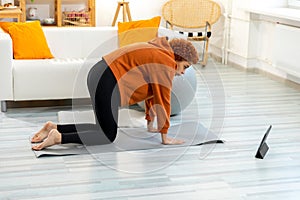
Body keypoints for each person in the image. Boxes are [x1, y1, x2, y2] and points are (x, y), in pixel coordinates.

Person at [31, 36, 199, 150]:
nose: (183, 72)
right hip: (107, 80)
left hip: (99, 73)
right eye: (184, 66)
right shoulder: (165, 62)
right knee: (107, 136)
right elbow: (163, 99)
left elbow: (153, 93)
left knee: (101, 128)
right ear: (177, 58)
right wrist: (165, 137)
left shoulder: (158, 52)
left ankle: (53, 128)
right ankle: (59, 138)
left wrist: (150, 123)